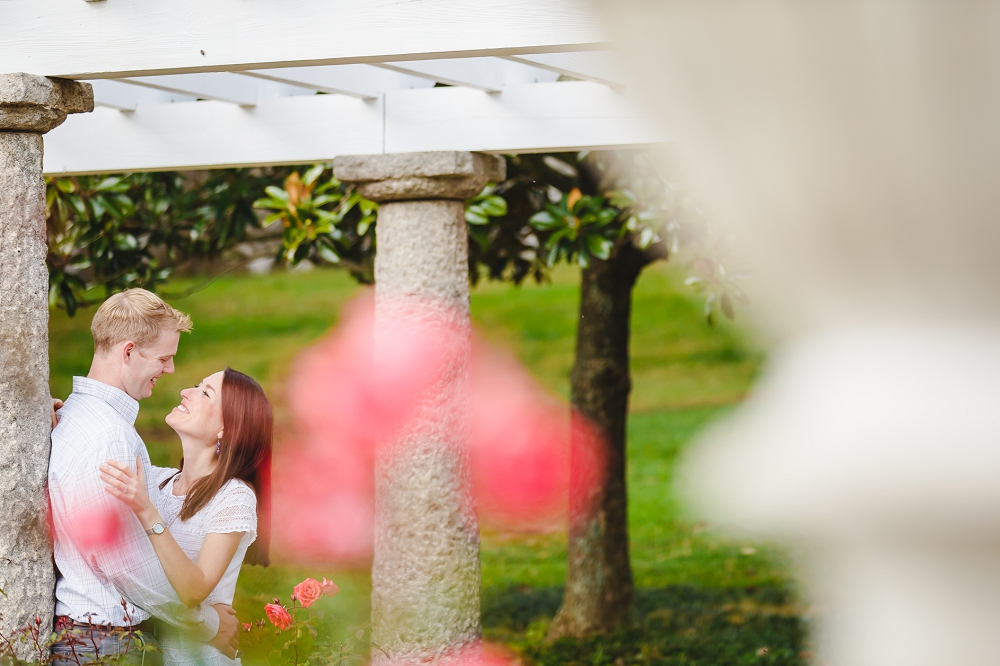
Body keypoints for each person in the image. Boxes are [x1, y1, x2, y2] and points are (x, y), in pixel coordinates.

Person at [49, 289, 240, 665]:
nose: (169, 371)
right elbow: (128, 566)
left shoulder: (79, 416)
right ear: (129, 351)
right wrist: (207, 625)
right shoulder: (109, 435)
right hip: (104, 645)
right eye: (164, 358)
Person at [100, 367, 272, 666]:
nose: (185, 392)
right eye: (196, 385)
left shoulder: (234, 497)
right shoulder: (157, 482)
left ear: (226, 429)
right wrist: (59, 415)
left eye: (205, 393)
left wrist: (146, 511)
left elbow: (194, 590)